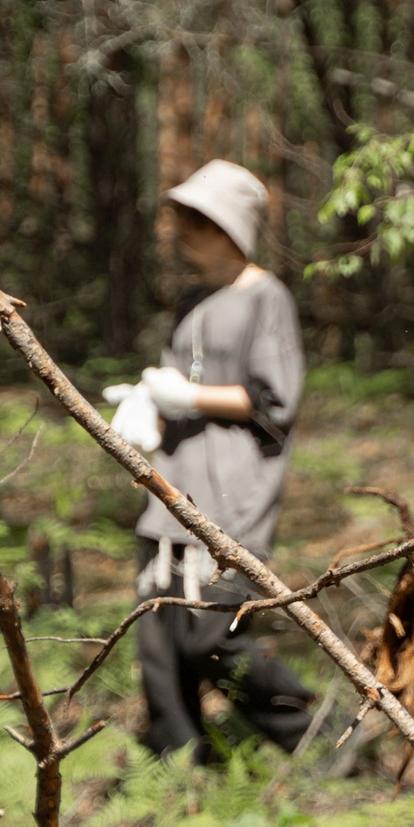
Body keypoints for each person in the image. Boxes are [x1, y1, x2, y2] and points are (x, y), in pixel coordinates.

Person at [106, 161, 315, 762]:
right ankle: (181, 767)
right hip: (171, 493)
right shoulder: (192, 301)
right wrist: (148, 404)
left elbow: (277, 400)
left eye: (196, 221)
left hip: (232, 499)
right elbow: (175, 378)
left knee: (211, 636)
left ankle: (307, 731)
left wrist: (192, 398)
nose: (182, 233)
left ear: (229, 228)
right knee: (159, 638)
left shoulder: (266, 298)